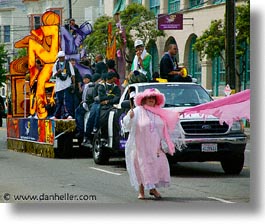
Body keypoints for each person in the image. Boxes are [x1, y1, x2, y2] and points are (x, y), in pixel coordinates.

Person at [122, 88, 184, 199]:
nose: (151, 100)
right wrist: (129, 118)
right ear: (144, 99)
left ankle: (152, 188)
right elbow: (126, 126)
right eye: (149, 98)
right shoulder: (137, 111)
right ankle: (142, 192)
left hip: (156, 146)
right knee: (142, 167)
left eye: (153, 98)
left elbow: (167, 125)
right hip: (141, 146)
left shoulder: (159, 112)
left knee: (157, 166)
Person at [82, 72, 121, 147]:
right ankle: (88, 135)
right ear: (112, 78)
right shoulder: (101, 86)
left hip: (109, 105)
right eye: (115, 77)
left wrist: (108, 101)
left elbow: (117, 98)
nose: (116, 79)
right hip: (98, 103)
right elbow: (101, 97)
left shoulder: (116, 87)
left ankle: (104, 136)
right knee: (93, 114)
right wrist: (110, 97)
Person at [51, 51, 75, 119]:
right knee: (59, 102)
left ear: (64, 57)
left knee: (67, 101)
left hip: (67, 85)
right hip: (59, 86)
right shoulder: (56, 64)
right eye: (60, 58)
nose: (61, 59)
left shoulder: (68, 63)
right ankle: (56, 115)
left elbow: (73, 75)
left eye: (62, 58)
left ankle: (68, 115)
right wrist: (58, 72)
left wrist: (73, 84)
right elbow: (53, 75)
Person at [74, 74, 93, 138]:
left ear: (88, 79)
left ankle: (80, 130)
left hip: (86, 105)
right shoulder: (92, 85)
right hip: (89, 104)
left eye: (85, 79)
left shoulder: (87, 85)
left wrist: (83, 101)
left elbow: (85, 96)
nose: (83, 80)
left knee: (78, 112)